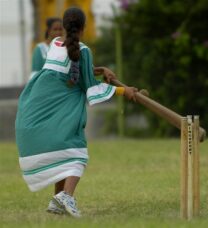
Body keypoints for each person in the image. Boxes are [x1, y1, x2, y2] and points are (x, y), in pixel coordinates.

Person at [15, 7, 137, 218]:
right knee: (78, 154)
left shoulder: (55, 44)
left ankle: (57, 201)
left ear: (64, 26)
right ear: (84, 27)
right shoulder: (84, 51)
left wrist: (99, 70)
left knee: (65, 155)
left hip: (34, 115)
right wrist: (123, 91)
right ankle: (66, 196)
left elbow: (72, 71)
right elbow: (91, 88)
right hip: (55, 114)